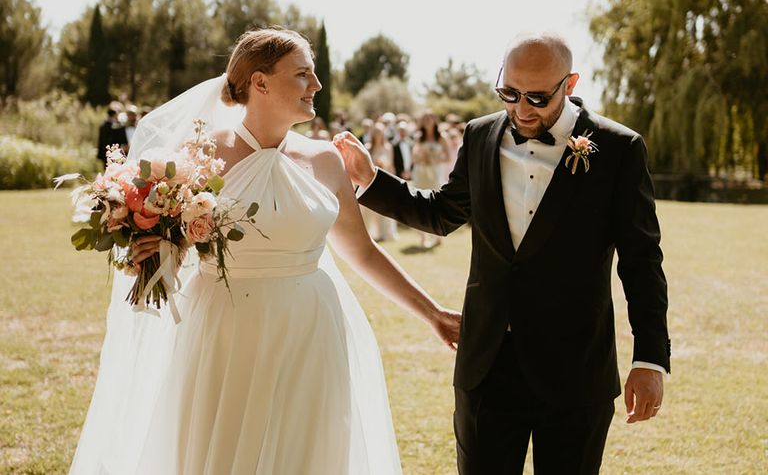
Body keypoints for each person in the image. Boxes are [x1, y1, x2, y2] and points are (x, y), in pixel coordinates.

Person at [70, 28, 461, 475]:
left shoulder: (325, 160)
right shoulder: (200, 155)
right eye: (303, 75)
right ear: (260, 82)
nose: (316, 86)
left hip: (312, 329)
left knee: (308, 452)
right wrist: (154, 252)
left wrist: (433, 314)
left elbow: (364, 253)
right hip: (227, 329)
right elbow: (170, 247)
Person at [334, 34, 671, 475]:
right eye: (509, 93)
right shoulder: (479, 136)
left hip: (575, 370)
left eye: (536, 96)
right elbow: (442, 213)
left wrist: (649, 360)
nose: (522, 108)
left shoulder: (619, 149)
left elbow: (641, 262)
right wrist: (374, 180)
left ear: (570, 85)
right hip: (486, 366)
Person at [409, 110, 449, 249]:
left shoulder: (441, 137)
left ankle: (438, 235)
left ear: (434, 120)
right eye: (424, 118)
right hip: (420, 172)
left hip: (435, 172)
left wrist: (434, 159)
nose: (426, 121)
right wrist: (421, 158)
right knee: (419, 203)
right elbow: (413, 158)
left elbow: (448, 157)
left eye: (429, 118)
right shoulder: (419, 137)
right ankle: (423, 238)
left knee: (435, 203)